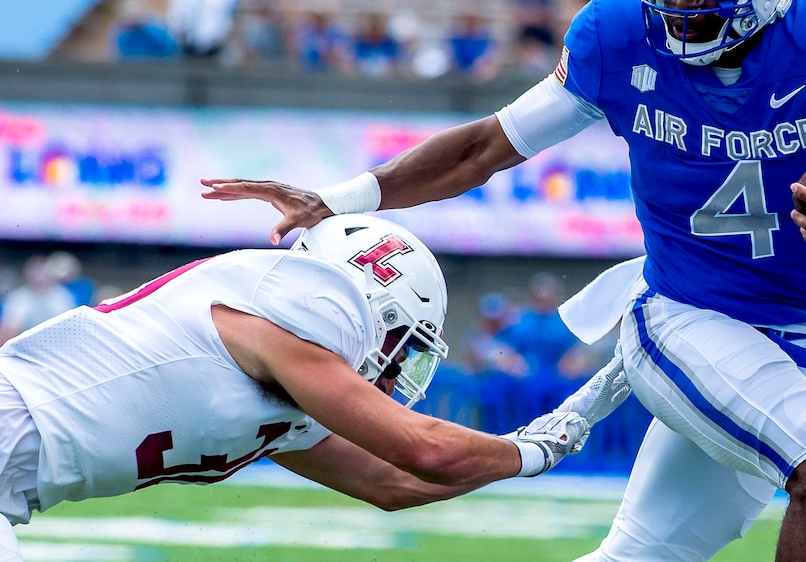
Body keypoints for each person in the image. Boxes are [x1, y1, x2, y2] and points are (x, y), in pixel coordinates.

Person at [202, 0, 806, 561]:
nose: (678, 1)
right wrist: (338, 199)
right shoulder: (621, 33)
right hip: (679, 315)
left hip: (788, 338)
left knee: (640, 554)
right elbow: (487, 145)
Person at [0, 214, 594, 560]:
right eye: (402, 344)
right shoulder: (303, 308)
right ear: (372, 305)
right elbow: (425, 450)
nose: (394, 372)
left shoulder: (295, 385)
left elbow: (392, 480)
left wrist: (514, 458)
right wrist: (530, 451)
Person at [0, 256, 78, 346]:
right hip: (24, 345)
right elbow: (9, 329)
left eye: (41, 270)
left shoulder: (62, 295)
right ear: (28, 273)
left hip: (55, 344)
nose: (39, 275)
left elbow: (69, 327)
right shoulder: (18, 297)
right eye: (35, 270)